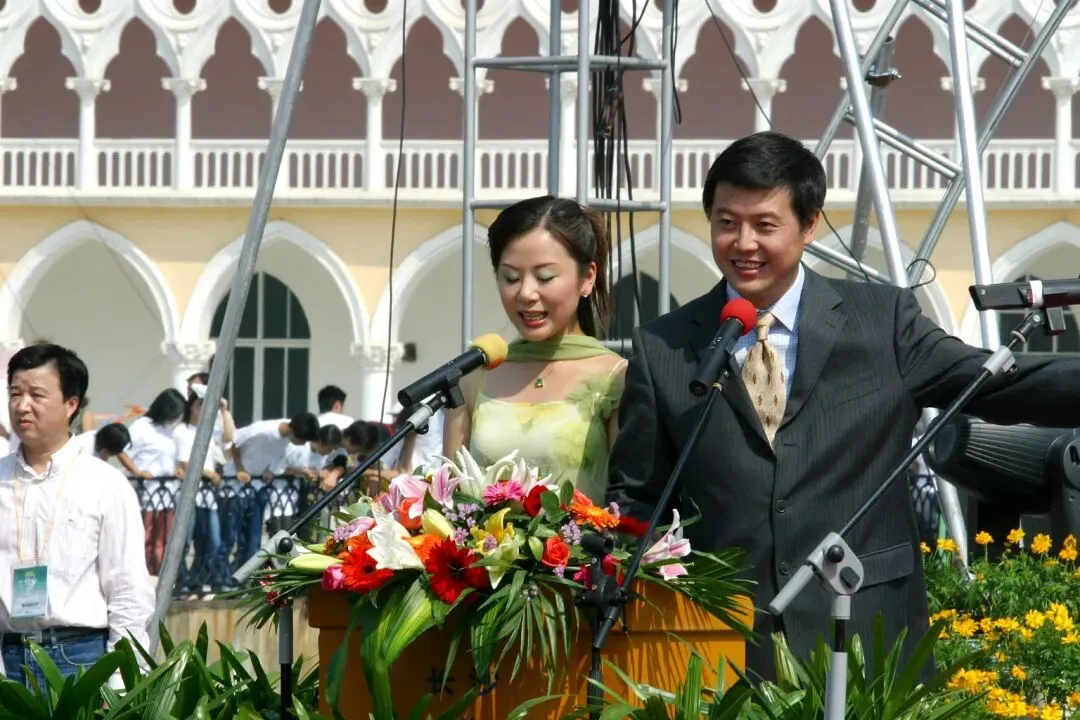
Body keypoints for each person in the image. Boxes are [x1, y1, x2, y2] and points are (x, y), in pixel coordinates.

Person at [605, 131, 1080, 681]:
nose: (743, 243)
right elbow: (637, 495)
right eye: (726, 222)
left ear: (809, 225)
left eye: (765, 225)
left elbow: (996, 382)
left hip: (866, 632)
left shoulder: (882, 321)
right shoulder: (663, 346)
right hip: (725, 645)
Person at [442, 195, 628, 503]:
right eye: (511, 278)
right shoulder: (473, 378)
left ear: (587, 278)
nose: (526, 293)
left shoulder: (616, 379)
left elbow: (628, 505)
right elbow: (448, 502)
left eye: (545, 277)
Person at [0, 343, 153, 688]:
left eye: (37, 395)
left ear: (71, 404)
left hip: (81, 658)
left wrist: (121, 683)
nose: (22, 406)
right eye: (15, 393)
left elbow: (127, 589)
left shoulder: (105, 484)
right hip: (9, 661)